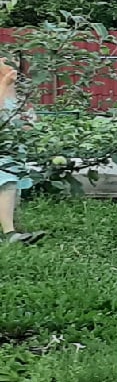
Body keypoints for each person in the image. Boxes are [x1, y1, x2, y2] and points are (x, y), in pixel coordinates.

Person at [0, 59, 43, 244]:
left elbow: (23, 120)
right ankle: (10, 234)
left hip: (14, 148)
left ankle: (9, 230)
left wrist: (29, 121)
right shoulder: (4, 86)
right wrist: (4, 84)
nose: (12, 67)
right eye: (6, 63)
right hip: (2, 148)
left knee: (11, 189)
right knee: (7, 183)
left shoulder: (15, 90)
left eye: (14, 63)